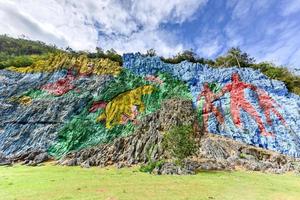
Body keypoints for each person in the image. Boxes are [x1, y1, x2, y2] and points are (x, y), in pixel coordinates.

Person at [217, 73, 273, 137]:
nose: (236, 78)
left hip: (242, 100)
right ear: (232, 78)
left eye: (237, 76)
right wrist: (216, 97)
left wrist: (258, 91)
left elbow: (252, 87)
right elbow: (222, 91)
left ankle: (263, 130)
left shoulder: (242, 84)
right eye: (234, 76)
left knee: (254, 113)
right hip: (234, 101)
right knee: (235, 116)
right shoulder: (230, 85)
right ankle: (240, 130)